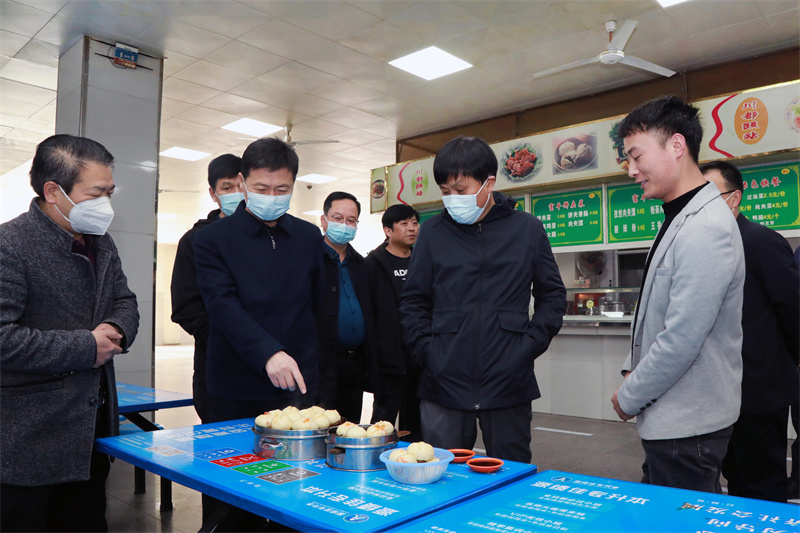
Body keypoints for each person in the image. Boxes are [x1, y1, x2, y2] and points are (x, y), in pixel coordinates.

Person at [0, 134, 139, 532]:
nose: (105, 204)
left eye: (109, 192)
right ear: (53, 192)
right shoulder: (10, 244)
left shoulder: (102, 243)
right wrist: (86, 346)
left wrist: (115, 327)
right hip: (29, 437)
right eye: (96, 193)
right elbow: (3, 337)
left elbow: (125, 300)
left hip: (90, 428)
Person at [400, 135, 566, 464]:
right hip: (443, 380)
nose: (452, 199)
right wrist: (428, 351)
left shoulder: (527, 229)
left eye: (460, 190)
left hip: (508, 379)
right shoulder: (433, 232)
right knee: (442, 474)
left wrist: (528, 346)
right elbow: (413, 300)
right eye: (445, 191)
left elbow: (552, 294)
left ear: (488, 183)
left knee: (511, 472)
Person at [610, 96, 745, 494]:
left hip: (689, 423)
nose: (631, 170)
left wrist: (629, 396)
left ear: (676, 145)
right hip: (674, 414)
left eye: (636, 156)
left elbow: (683, 337)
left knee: (681, 517)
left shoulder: (705, 227)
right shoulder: (679, 215)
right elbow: (655, 310)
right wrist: (631, 367)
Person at [194, 137, 324, 422]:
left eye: (282, 189)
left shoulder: (309, 237)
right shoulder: (212, 239)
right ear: (242, 182)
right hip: (236, 386)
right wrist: (268, 353)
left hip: (297, 384)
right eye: (262, 189)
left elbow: (318, 305)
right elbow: (222, 305)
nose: (272, 197)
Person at [702, 160, 799, 502]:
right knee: (734, 476)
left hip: (760, 386)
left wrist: (790, 362)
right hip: (719, 387)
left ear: (735, 198)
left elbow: (792, 308)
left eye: (711, 195)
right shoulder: (705, 246)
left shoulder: (762, 241)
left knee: (763, 482)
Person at [171, 153, 243, 424]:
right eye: (227, 187)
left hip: (270, 368)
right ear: (214, 194)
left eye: (241, 186)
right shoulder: (195, 241)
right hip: (216, 365)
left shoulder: (268, 236)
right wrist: (227, 338)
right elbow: (185, 307)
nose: (236, 194)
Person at [317, 191, 376, 423]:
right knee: (320, 426)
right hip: (321, 365)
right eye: (337, 218)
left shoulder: (362, 264)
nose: (344, 225)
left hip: (355, 365)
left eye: (351, 220)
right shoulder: (309, 260)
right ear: (324, 220)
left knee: (348, 427)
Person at [366, 204, 422, 440]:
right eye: (404, 223)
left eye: (415, 223)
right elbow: (368, 313)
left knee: (416, 422)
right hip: (387, 357)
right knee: (382, 423)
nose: (412, 228)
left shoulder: (421, 261)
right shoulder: (373, 264)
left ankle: (412, 456)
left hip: (418, 356)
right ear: (388, 230)